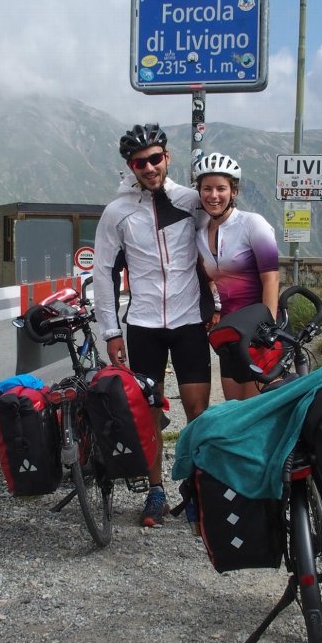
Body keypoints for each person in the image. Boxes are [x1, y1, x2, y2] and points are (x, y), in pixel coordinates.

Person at [93, 123, 212, 527]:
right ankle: (156, 490)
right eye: (140, 162)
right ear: (131, 166)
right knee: (149, 411)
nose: (149, 167)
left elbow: (222, 242)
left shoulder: (192, 201)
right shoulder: (117, 212)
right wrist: (110, 332)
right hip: (143, 324)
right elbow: (104, 275)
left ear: (167, 157)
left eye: (155, 158)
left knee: (198, 411)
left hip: (189, 320)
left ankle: (195, 487)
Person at [193, 152, 281, 401]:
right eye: (207, 188)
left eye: (221, 188)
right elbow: (209, 277)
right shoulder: (199, 234)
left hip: (261, 331)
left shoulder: (253, 224)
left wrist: (268, 329)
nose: (213, 195)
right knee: (235, 409)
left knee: (259, 408)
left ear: (233, 192)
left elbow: (271, 280)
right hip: (230, 334)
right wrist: (215, 308)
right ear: (199, 192)